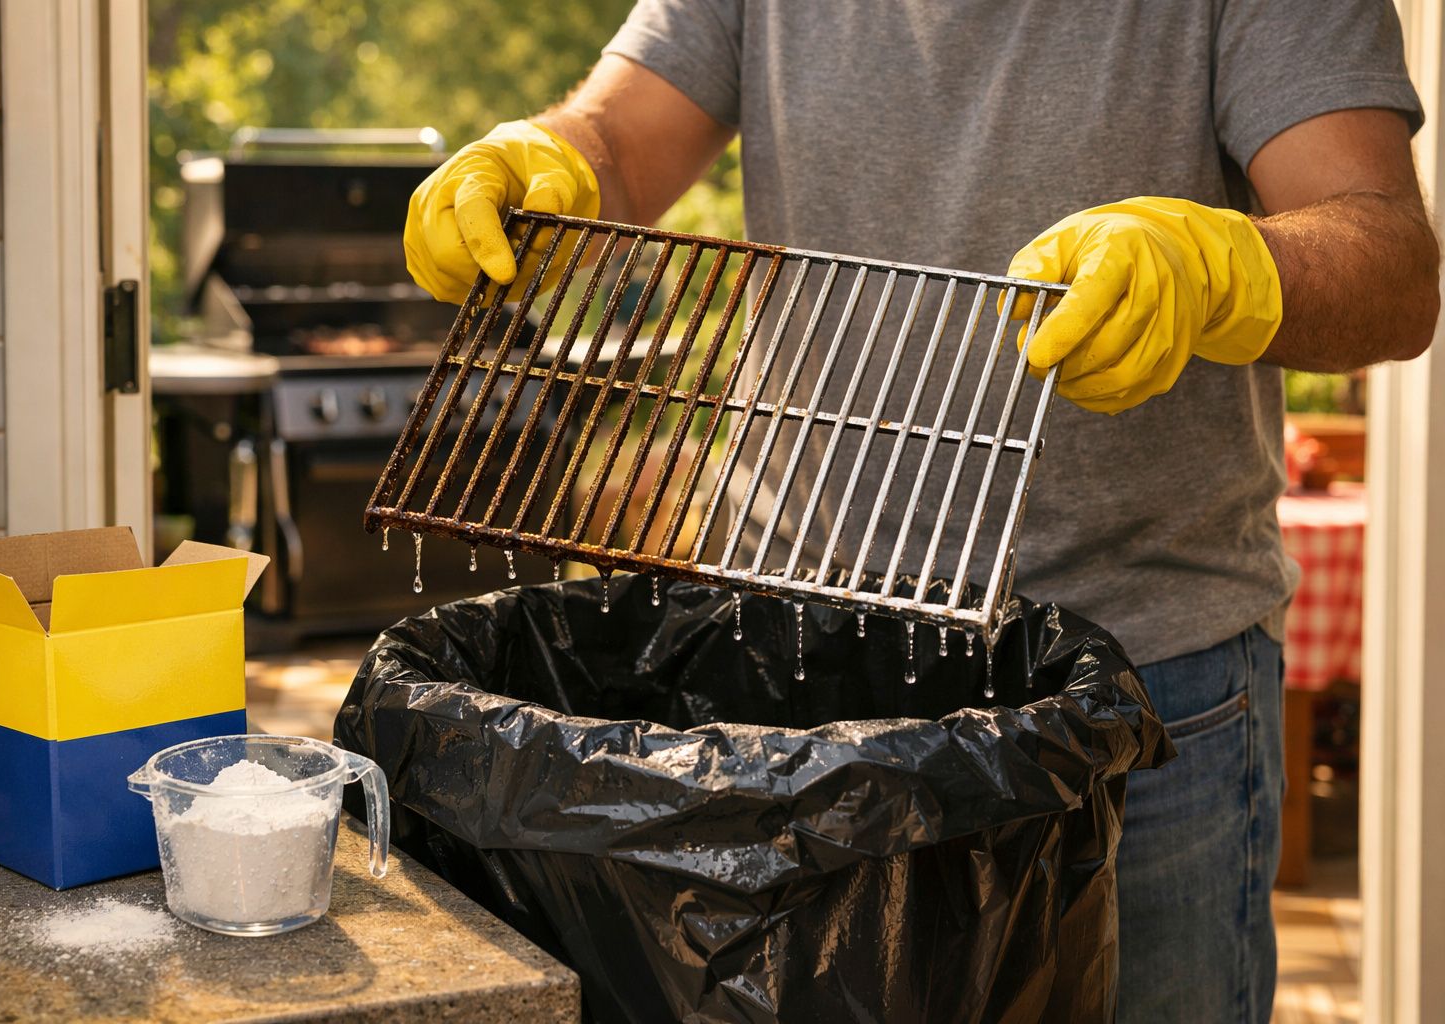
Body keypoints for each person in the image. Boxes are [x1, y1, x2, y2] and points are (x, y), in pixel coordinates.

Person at [400, 3, 1439, 1021]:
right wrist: (549, 155)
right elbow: (621, 145)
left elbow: (1392, 264)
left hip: (1136, 699)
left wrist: (1228, 270)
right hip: (787, 667)